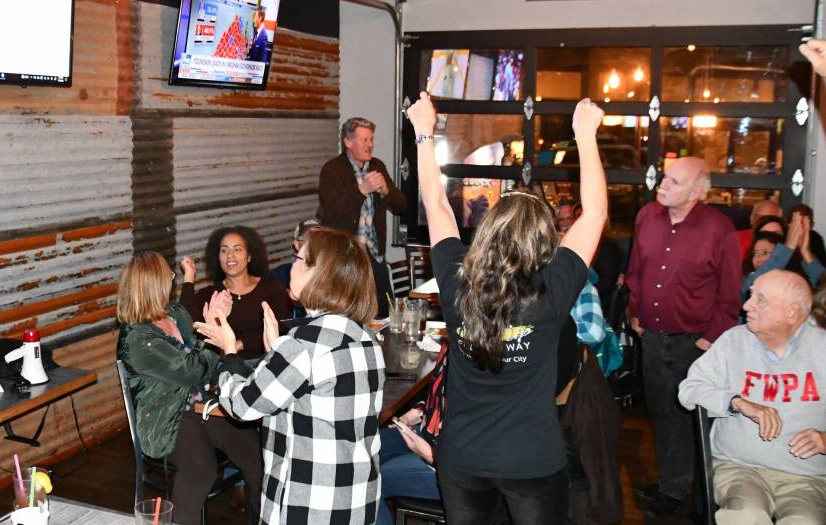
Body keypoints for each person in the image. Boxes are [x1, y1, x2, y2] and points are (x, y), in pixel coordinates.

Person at [406, 91, 608, 524]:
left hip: (461, 459)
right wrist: (585, 136)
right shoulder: (554, 288)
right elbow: (594, 214)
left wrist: (424, 133)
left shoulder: (457, 278)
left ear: (488, 230)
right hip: (531, 460)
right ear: (545, 241)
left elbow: (437, 204)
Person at [196, 228, 385, 524]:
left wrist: (228, 351)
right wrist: (276, 352)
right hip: (356, 498)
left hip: (310, 504)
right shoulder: (363, 335)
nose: (290, 266)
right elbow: (305, 397)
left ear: (319, 274)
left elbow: (243, 405)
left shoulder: (304, 345)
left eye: (298, 259)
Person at [625, 156, 742, 517]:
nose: (662, 184)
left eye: (674, 181)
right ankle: (673, 486)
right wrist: (635, 313)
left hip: (696, 342)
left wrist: (707, 341)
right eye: (664, 177)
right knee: (663, 413)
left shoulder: (718, 229)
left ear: (697, 192)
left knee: (695, 418)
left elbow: (729, 294)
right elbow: (635, 270)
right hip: (654, 336)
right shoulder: (647, 216)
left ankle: (701, 494)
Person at [115, 253, 262, 525]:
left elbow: (206, 360)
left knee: (255, 455)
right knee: (200, 469)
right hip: (165, 416)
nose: (172, 280)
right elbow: (193, 368)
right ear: (152, 284)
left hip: (201, 404)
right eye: (168, 276)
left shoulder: (175, 313)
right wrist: (213, 329)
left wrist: (211, 323)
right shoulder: (137, 338)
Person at [678, 270, 826, 524]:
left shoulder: (821, 347)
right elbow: (690, 390)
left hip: (806, 477)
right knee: (747, 516)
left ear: (791, 312)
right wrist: (738, 403)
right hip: (739, 468)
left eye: (761, 299)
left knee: (805, 521)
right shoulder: (734, 340)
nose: (746, 305)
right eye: (750, 295)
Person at [316, 117, 407, 317]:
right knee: (352, 314)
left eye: (371, 139)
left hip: (375, 254)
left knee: (385, 313)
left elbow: (401, 206)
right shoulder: (332, 170)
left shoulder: (377, 166)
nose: (370, 145)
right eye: (364, 140)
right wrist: (362, 190)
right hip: (347, 259)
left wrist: (386, 192)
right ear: (348, 142)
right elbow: (331, 214)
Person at [180, 225, 291, 361]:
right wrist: (189, 276)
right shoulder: (212, 295)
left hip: (267, 364)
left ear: (249, 256)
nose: (229, 255)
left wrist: (237, 345)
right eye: (224, 250)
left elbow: (284, 328)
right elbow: (184, 321)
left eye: (237, 249)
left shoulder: (272, 288)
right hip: (225, 369)